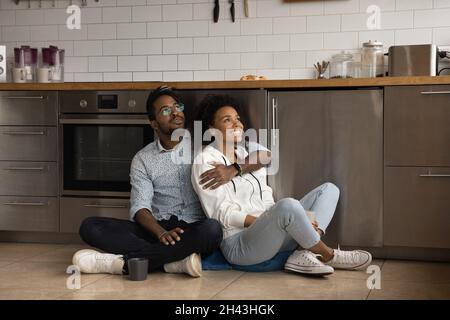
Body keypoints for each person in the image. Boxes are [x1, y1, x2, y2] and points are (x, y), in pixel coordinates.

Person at [72, 86, 269, 278]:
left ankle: (122, 263)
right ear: (153, 123)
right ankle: (173, 262)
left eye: (178, 107)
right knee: (90, 226)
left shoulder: (204, 143)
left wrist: (234, 169)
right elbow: (140, 207)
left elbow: (264, 155)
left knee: (213, 230)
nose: (175, 113)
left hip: (194, 228)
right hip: (158, 228)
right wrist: (160, 233)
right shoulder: (143, 159)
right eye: (166, 110)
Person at [191, 94, 373, 276]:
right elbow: (222, 214)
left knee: (329, 190)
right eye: (227, 120)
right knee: (288, 206)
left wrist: (234, 169)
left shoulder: (246, 150)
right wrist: (278, 221)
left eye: (237, 119)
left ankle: (301, 252)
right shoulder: (205, 160)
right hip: (240, 243)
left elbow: (267, 155)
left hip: (273, 232)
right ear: (212, 129)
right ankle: (328, 254)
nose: (237, 124)